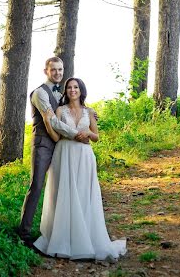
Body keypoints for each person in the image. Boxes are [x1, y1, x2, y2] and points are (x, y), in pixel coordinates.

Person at [33, 77, 127, 261]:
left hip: (84, 156)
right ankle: (63, 240)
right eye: (69, 87)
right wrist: (48, 120)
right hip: (64, 153)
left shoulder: (89, 111)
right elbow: (55, 134)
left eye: (75, 87)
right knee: (65, 194)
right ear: (66, 91)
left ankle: (85, 238)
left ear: (81, 90)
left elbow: (96, 137)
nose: (72, 90)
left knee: (84, 193)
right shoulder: (60, 110)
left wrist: (89, 133)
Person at [17, 57, 89, 246]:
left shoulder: (62, 93)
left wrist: (90, 113)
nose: (57, 73)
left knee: (61, 188)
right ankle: (24, 234)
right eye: (53, 70)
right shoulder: (40, 93)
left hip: (62, 146)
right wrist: (76, 134)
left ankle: (60, 231)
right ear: (46, 71)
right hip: (43, 144)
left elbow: (72, 109)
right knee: (37, 186)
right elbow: (52, 121)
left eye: (60, 69)